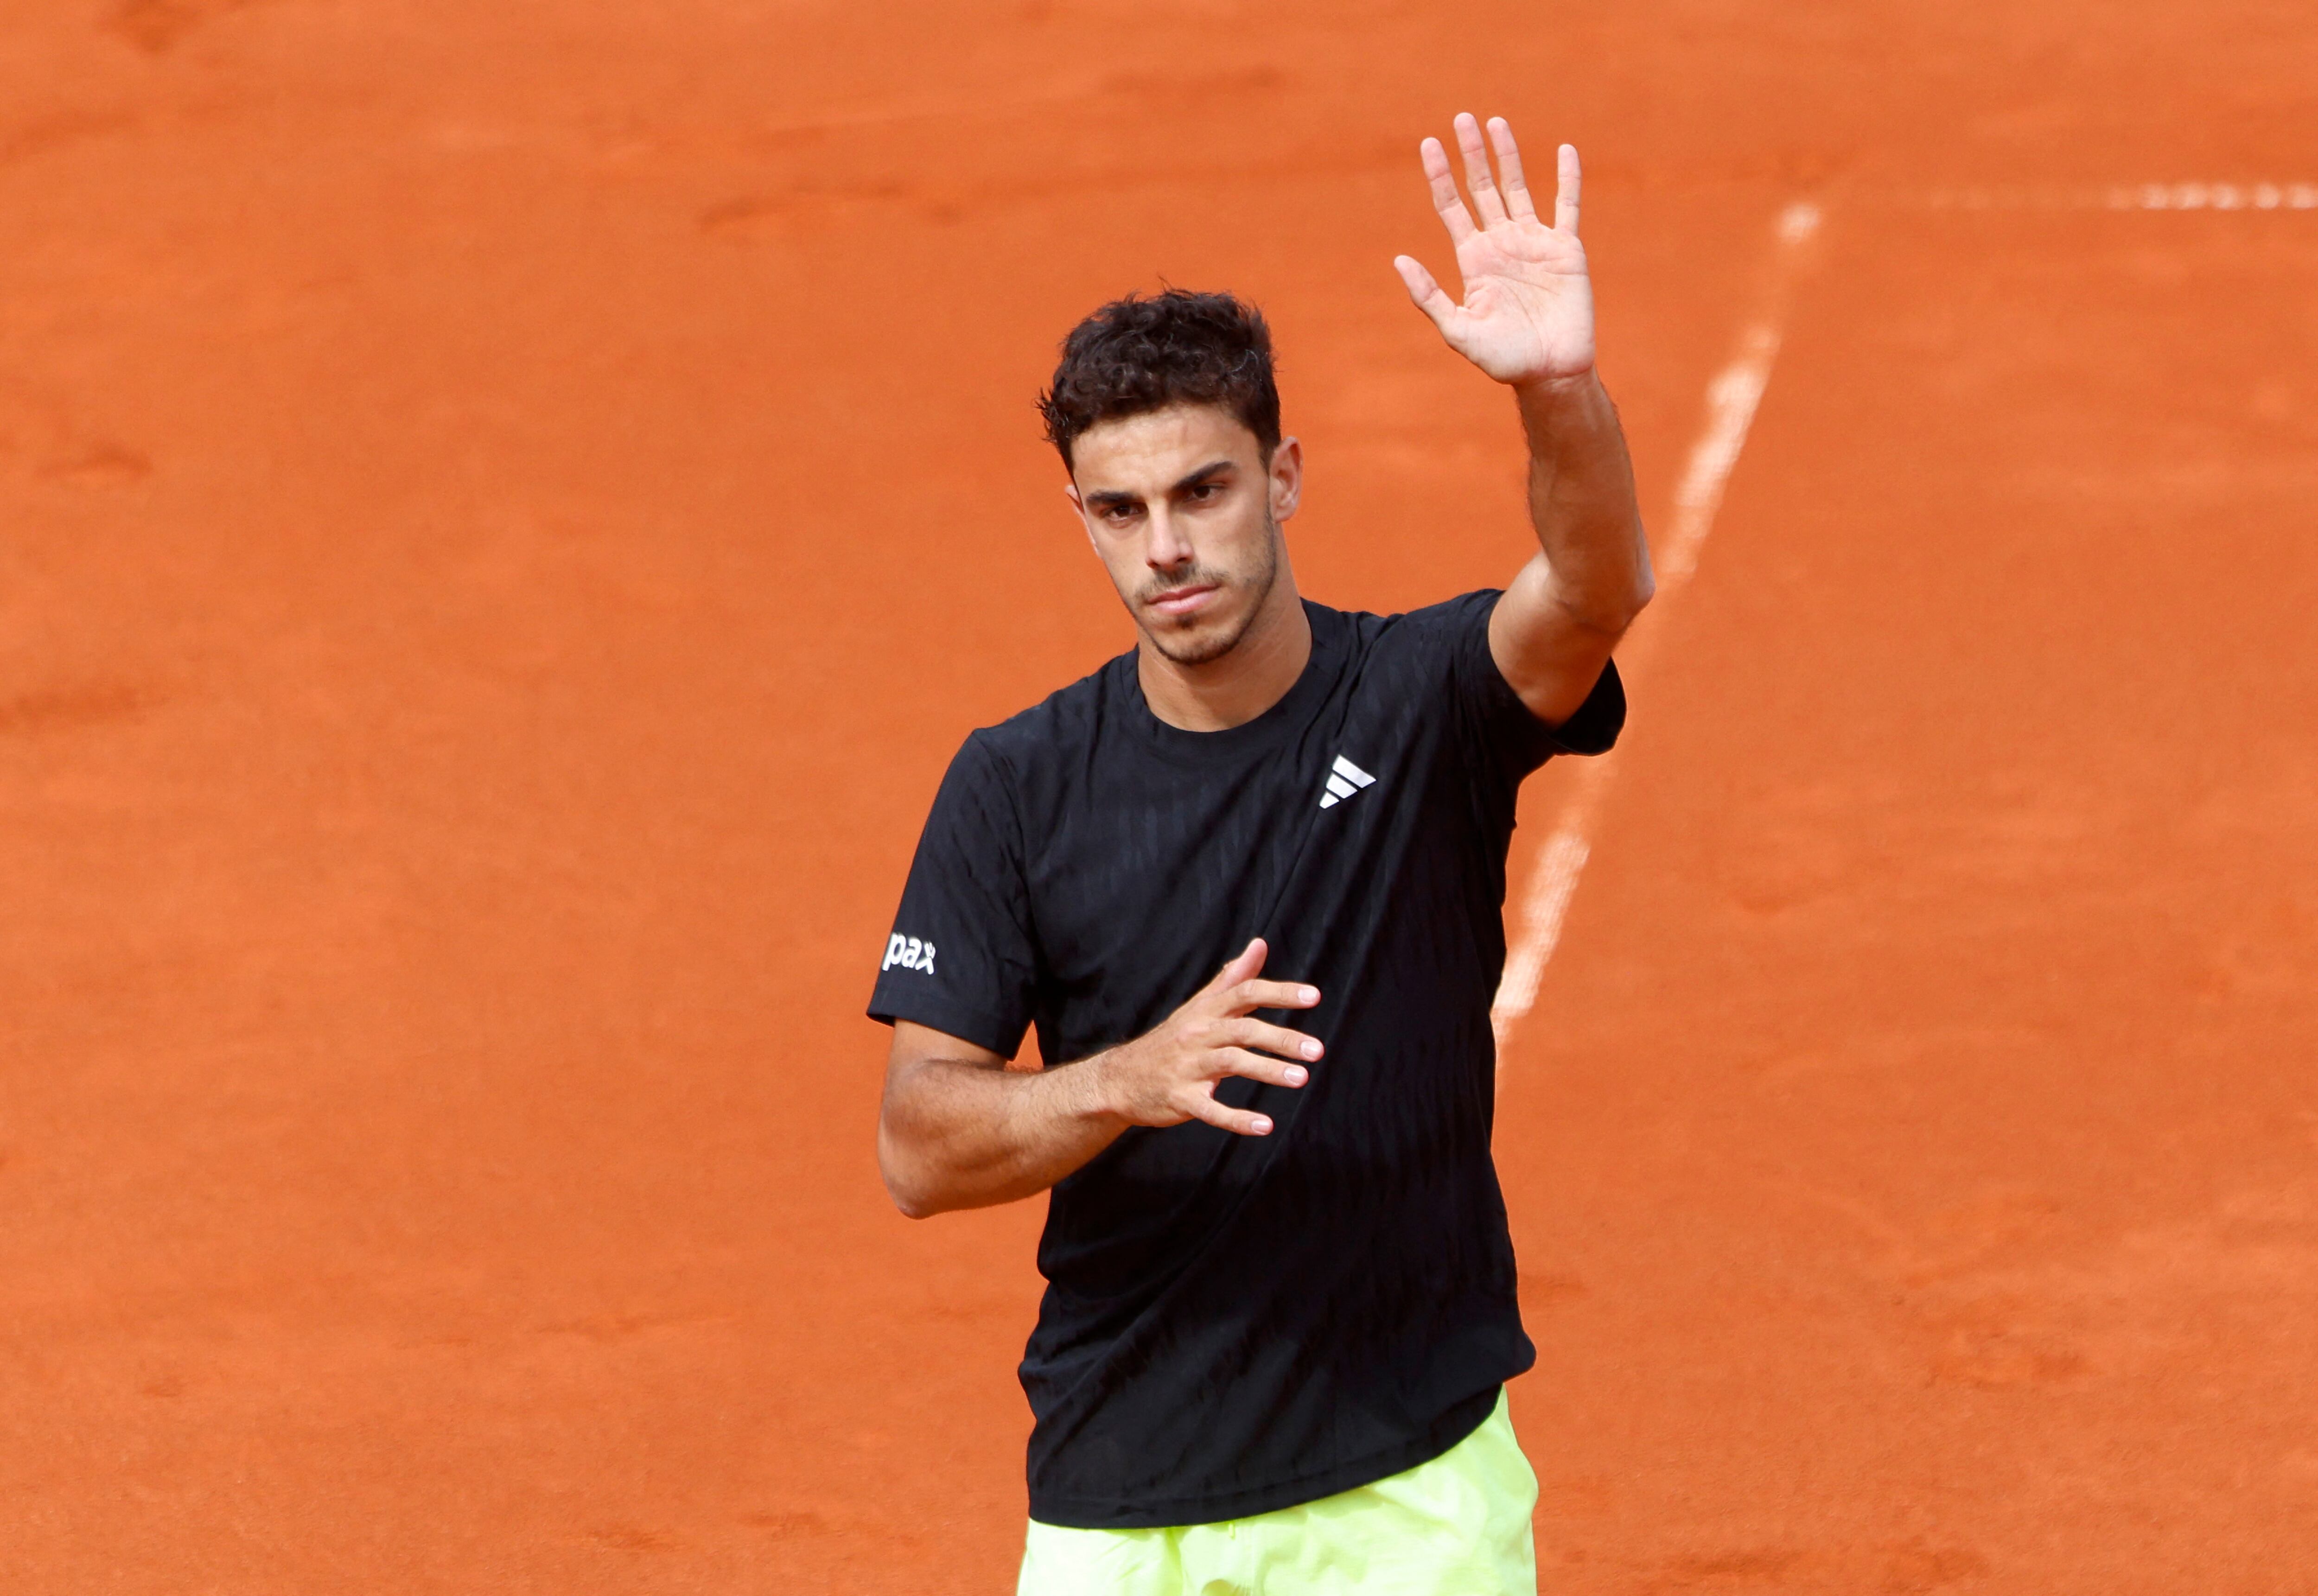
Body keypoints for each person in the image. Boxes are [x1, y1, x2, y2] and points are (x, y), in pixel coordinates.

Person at [868, 113, 1652, 1595]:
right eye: (1122, 509)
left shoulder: (1425, 703)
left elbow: (1599, 585)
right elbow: (918, 1144)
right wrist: (1129, 1076)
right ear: (1083, 520)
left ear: (1283, 475)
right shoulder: (1015, 785)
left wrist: (1559, 387)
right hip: (1120, 1501)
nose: (1166, 545)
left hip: (1409, 1490)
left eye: (1204, 491)